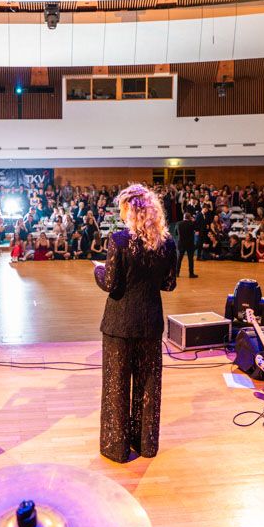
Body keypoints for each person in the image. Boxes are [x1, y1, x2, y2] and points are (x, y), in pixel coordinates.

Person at [94, 184, 176, 463]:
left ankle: (116, 448)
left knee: (116, 386)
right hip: (150, 322)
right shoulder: (167, 243)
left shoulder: (118, 241)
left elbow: (111, 285)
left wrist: (98, 270)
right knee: (148, 385)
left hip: (119, 324)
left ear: (130, 209)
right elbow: (169, 284)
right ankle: (146, 445)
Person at [175, 211, 197, 278]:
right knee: (190, 259)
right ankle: (191, 274)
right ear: (190, 218)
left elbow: (176, 233)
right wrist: (194, 221)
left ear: (183, 217)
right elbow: (196, 229)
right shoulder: (192, 224)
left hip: (181, 243)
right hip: (190, 244)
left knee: (179, 259)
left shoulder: (178, 224)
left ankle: (177, 273)